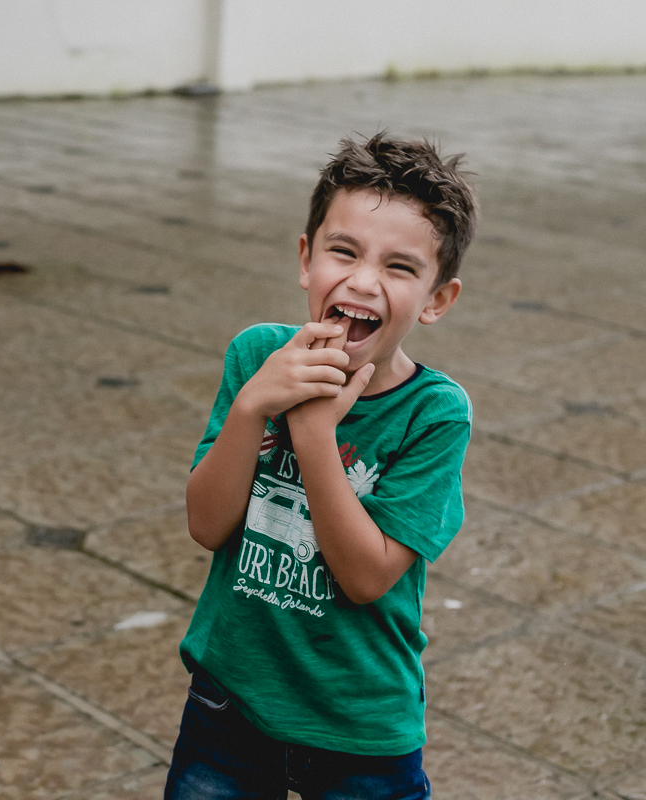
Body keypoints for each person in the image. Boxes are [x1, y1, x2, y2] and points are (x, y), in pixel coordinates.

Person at [166, 133, 479, 800]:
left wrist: (311, 432)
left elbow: (367, 577)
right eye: (344, 251)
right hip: (230, 700)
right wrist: (254, 407)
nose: (363, 281)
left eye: (399, 267)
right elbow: (206, 523)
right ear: (307, 260)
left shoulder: (435, 413)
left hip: (359, 722)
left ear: (436, 299)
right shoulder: (257, 356)